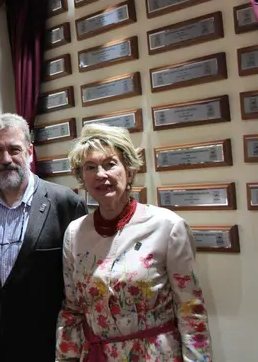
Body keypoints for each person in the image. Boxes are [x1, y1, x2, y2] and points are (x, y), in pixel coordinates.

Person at [55, 123, 212, 361]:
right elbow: (72, 311)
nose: (101, 174)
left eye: (110, 164)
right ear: (82, 178)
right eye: (90, 167)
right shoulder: (74, 233)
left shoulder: (167, 227)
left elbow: (191, 310)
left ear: (128, 170)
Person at [0, 113, 88, 361]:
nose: (6, 159)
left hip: (48, 346)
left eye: (14, 149)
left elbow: (80, 284)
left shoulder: (65, 203)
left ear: (30, 152)